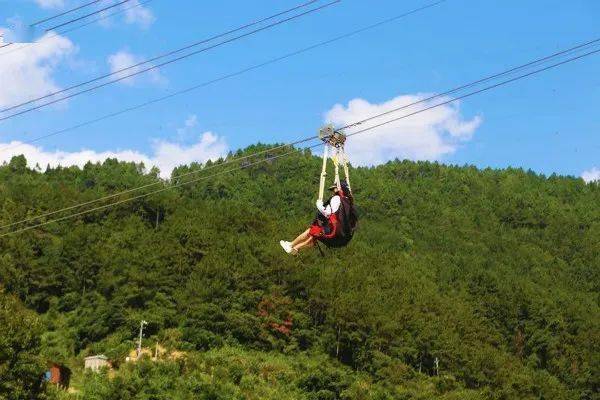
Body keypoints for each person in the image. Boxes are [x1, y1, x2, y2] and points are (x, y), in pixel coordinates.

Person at [280, 180, 355, 255]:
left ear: (339, 189)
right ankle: (296, 247)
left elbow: (328, 213)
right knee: (314, 236)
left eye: (334, 189)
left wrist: (319, 206)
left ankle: (291, 244)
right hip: (343, 233)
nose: (333, 192)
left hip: (332, 229)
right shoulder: (348, 201)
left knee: (311, 231)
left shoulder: (337, 198)